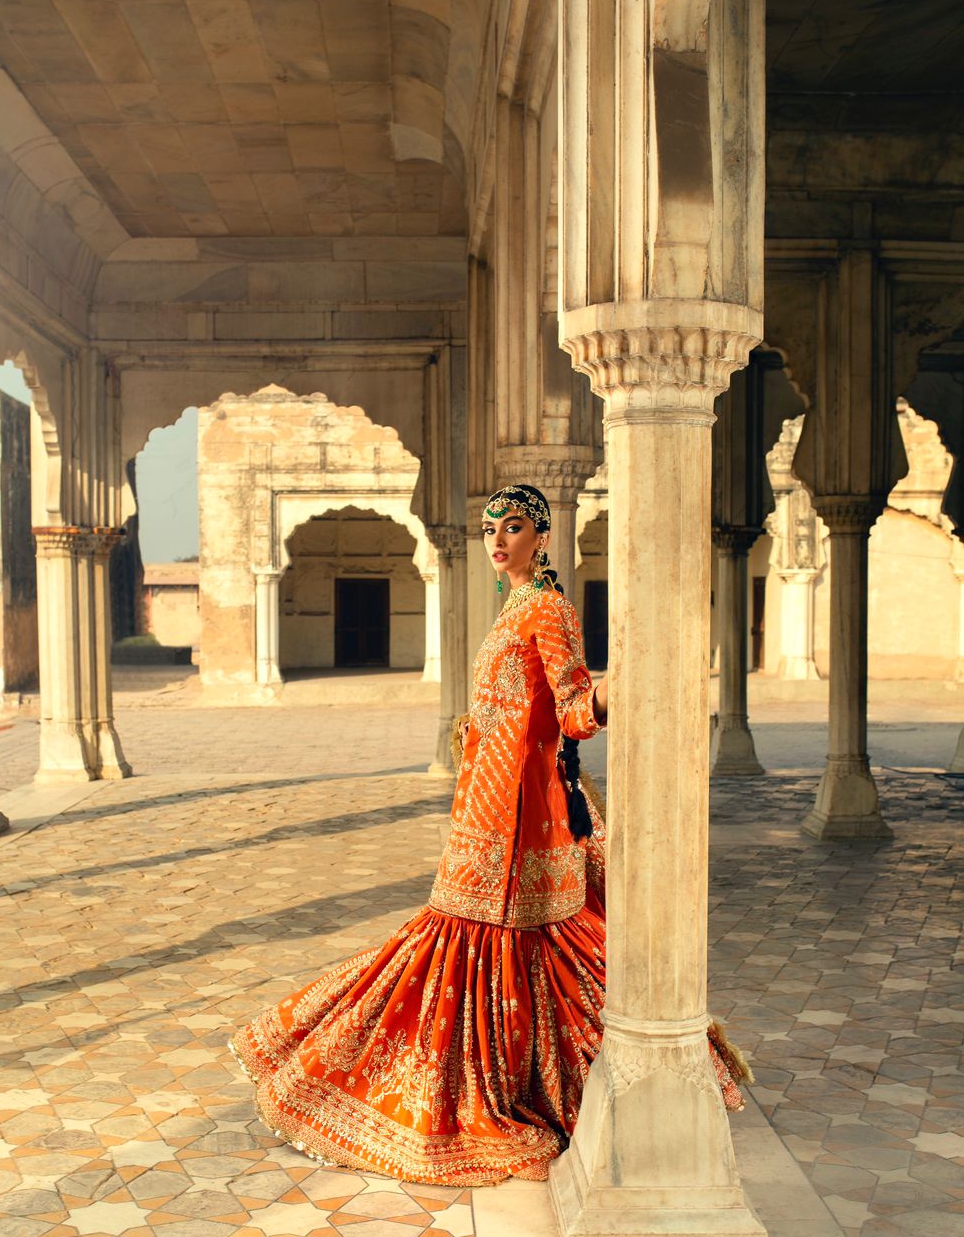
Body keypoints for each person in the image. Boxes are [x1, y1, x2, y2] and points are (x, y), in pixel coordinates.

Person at [230, 483, 747, 1186]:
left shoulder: (548, 609)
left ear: (541, 538)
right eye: (489, 529)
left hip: (522, 811)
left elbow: (571, 710)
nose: (498, 540)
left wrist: (626, 678)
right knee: (464, 931)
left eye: (512, 527)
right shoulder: (512, 608)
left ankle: (514, 1090)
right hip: (485, 800)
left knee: (505, 940)